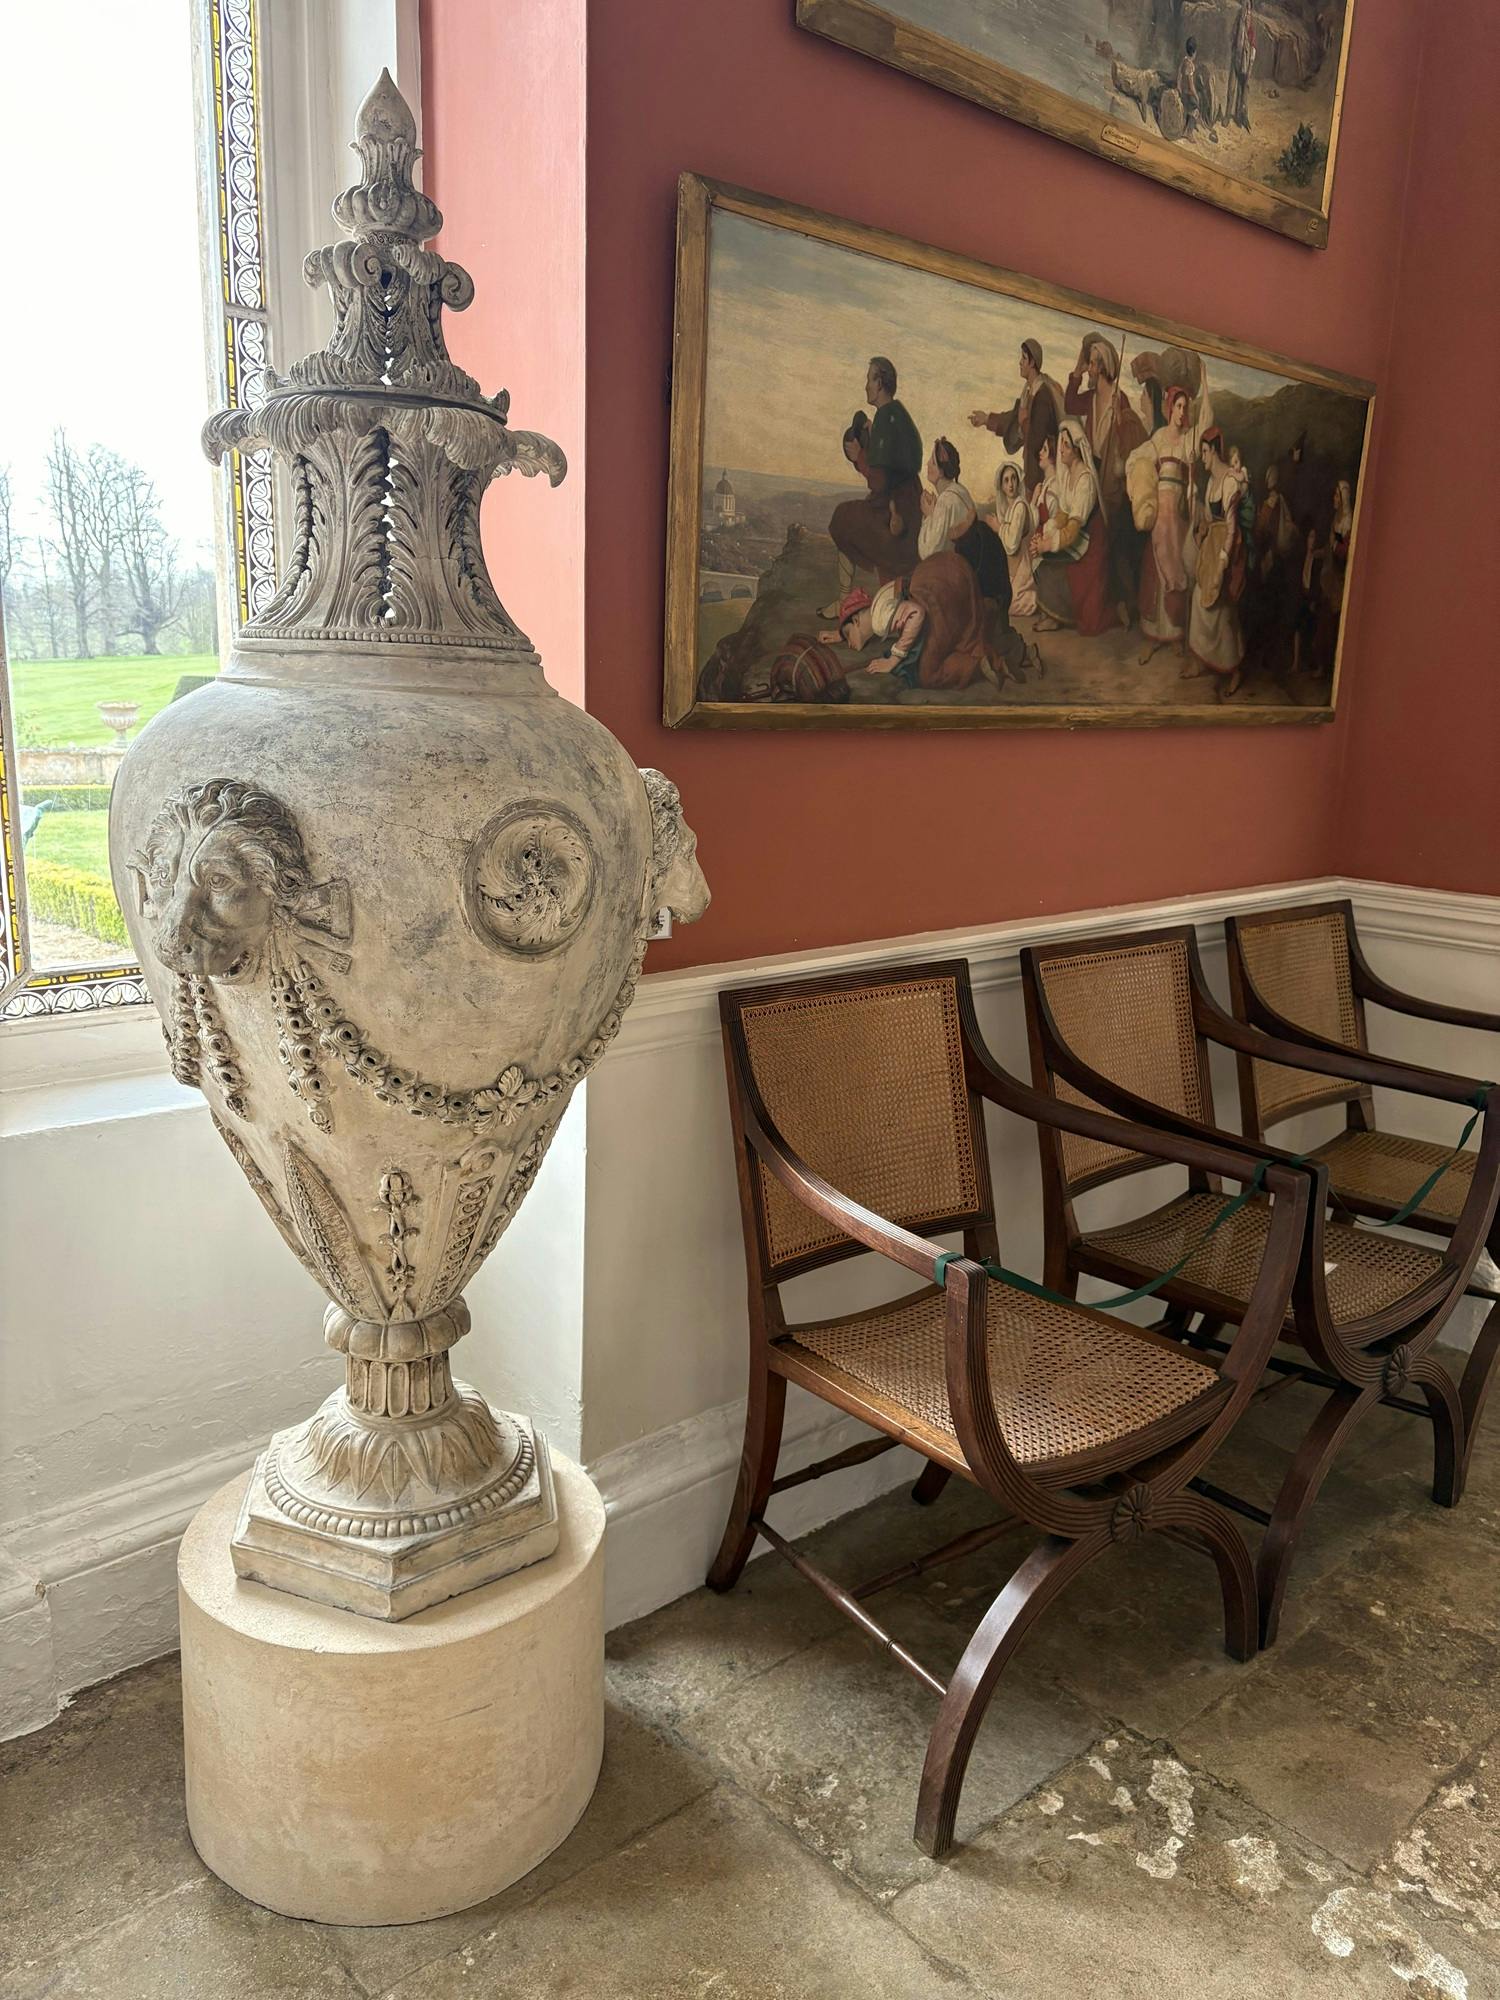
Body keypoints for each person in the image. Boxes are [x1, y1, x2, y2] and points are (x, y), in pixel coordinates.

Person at [823, 356, 923, 616]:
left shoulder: (885, 420)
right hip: (909, 506)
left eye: (869, 379)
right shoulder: (896, 414)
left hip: (896, 515)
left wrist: (859, 456)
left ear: (880, 383)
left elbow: (879, 482)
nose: (866, 385)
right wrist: (872, 434)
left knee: (843, 518)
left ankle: (845, 600)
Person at [819, 551, 993, 692]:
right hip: (943, 570)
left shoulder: (880, 621)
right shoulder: (877, 603)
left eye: (848, 635)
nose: (849, 643)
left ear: (857, 621)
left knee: (927, 674)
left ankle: (977, 666)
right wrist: (842, 633)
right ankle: (985, 611)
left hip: (936, 599)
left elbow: (916, 613)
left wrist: (893, 659)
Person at [1065, 333, 1147, 621]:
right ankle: (1099, 603)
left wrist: (1120, 424)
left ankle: (1124, 603)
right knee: (1093, 540)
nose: (1088, 369)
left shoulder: (1119, 399)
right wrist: (1077, 370)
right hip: (1093, 471)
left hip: (1113, 477)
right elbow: (1069, 404)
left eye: (1090, 364)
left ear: (1101, 368)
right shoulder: (1090, 398)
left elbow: (1131, 441)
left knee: (1113, 541)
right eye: (1088, 364)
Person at [1128, 384, 1196, 665]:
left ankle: (1176, 635)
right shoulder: (1158, 437)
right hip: (1160, 513)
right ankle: (1153, 637)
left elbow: (1192, 479)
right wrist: (1142, 488)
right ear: (1169, 408)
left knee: (1177, 568)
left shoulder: (1188, 440)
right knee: (1156, 570)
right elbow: (1137, 460)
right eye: (1178, 406)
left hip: (1178, 515)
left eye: (1185, 407)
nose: (1181, 412)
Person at [1028, 420, 1113, 637]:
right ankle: (1053, 617)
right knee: (1042, 562)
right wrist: (1046, 532)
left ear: (1076, 449)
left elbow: (1074, 528)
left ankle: (1058, 617)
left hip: (1091, 545)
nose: (1061, 449)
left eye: (1066, 445)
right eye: (1061, 444)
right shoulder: (1067, 475)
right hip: (1077, 537)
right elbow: (1063, 514)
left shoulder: (1085, 479)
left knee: (1053, 569)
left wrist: (1047, 544)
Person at [1187, 428, 1249, 693]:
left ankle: (1234, 669)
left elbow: (1231, 528)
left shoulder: (1229, 482)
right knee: (1199, 600)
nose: (1202, 457)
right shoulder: (1211, 482)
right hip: (1211, 545)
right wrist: (1195, 504)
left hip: (1227, 547)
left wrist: (1224, 560)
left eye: (1204, 452)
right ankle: (1201, 660)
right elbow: (1209, 520)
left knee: (1222, 611)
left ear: (1213, 451)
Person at [968, 339, 1065, 495]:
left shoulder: (1042, 396)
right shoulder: (1028, 392)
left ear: (1032, 362)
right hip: (1032, 473)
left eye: (1024, 358)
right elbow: (1012, 420)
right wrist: (986, 419)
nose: (1020, 362)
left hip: (1042, 478)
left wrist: (1024, 421)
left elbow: (1036, 440)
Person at [917, 438, 977, 559]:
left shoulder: (946, 501)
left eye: (932, 462)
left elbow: (927, 553)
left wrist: (929, 516)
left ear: (941, 472)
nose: (927, 464)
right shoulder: (960, 490)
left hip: (955, 566)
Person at [994, 462, 1037, 618]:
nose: (1010, 484)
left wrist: (998, 527)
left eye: (1013, 478)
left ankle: (1038, 599)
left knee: (1010, 605)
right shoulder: (1010, 509)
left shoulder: (1020, 506)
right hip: (1013, 566)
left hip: (1023, 565)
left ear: (1018, 481)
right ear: (1002, 486)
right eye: (1006, 480)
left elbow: (1012, 544)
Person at [1177, 37, 1217, 141]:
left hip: (1182, 91)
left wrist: (1179, 88)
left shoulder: (1184, 60)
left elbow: (1179, 75)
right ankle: (1189, 132)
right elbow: (1191, 86)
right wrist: (1196, 96)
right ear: (1194, 52)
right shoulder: (1190, 66)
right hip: (1188, 94)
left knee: (1194, 103)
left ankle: (1188, 127)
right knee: (1196, 109)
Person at [1228, 0, 1257, 130]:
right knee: (1232, 87)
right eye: (1244, 4)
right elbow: (1233, 35)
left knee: (1243, 87)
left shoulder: (1250, 22)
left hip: (1246, 59)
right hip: (1236, 57)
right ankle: (1227, 115)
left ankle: (1240, 116)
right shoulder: (1238, 19)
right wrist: (1235, 48)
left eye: (1248, 5)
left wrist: (1250, 59)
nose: (1245, 8)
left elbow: (1253, 43)